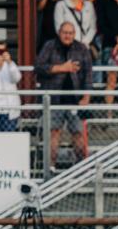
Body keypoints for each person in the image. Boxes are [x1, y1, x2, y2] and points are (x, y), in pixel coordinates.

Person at [35, 20, 93, 164]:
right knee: (53, 133)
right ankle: (50, 168)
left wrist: (86, 97)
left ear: (74, 34)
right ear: (59, 33)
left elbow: (88, 74)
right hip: (53, 100)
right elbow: (39, 67)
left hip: (76, 99)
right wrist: (62, 68)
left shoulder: (81, 49)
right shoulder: (50, 46)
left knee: (78, 134)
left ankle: (81, 168)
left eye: (70, 33)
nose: (67, 35)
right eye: (65, 32)